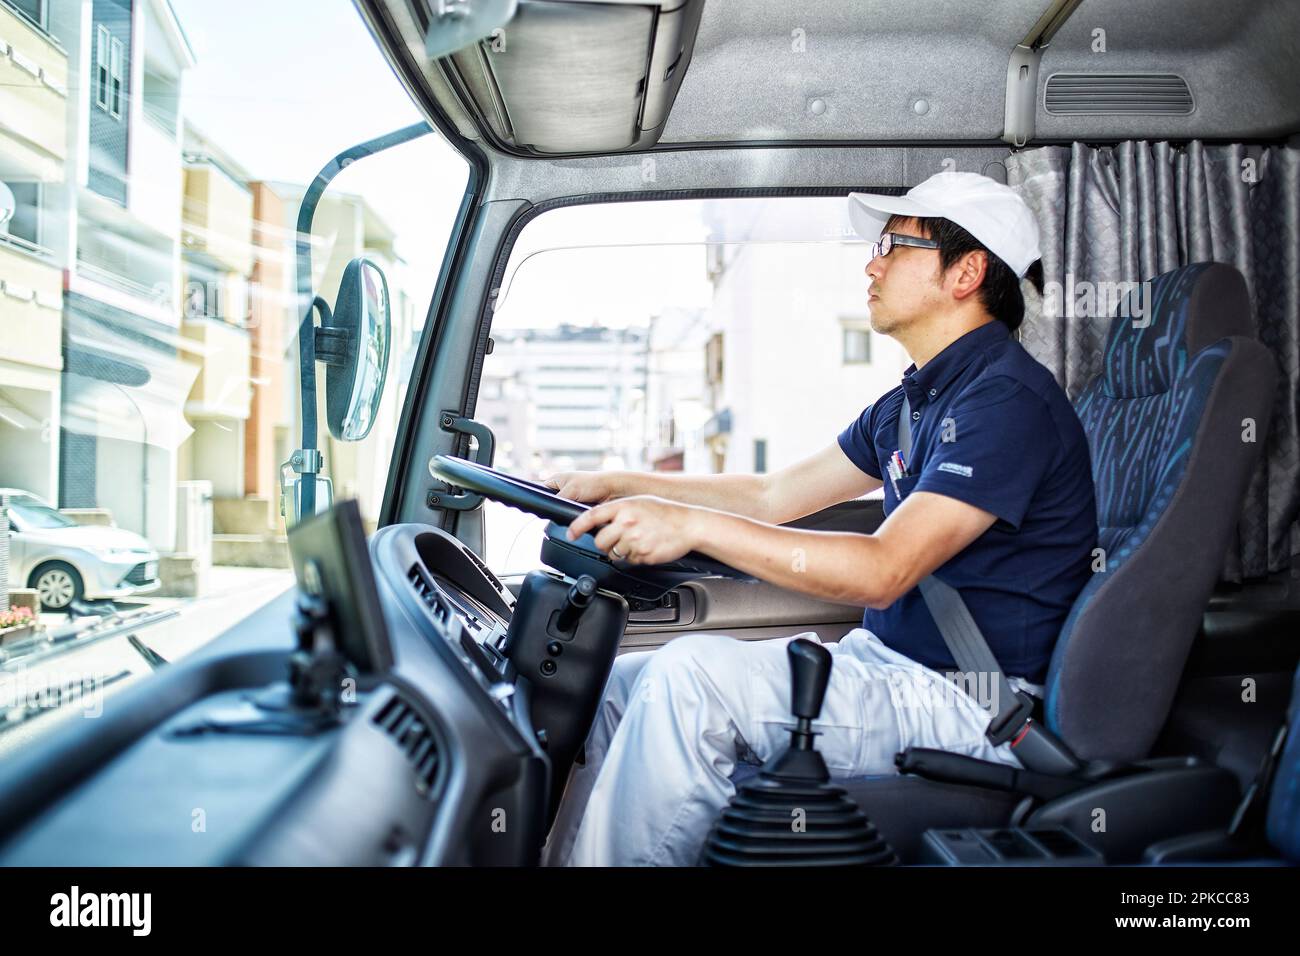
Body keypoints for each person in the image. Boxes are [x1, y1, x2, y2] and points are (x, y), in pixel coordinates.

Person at [539, 171, 1098, 867]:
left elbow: (884, 570)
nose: (873, 262)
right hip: (889, 668)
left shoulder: (1006, 402)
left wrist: (689, 526)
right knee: (620, 683)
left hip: (970, 703)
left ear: (967, 272)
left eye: (895, 245)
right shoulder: (913, 400)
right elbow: (774, 494)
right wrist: (619, 482)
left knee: (689, 683)